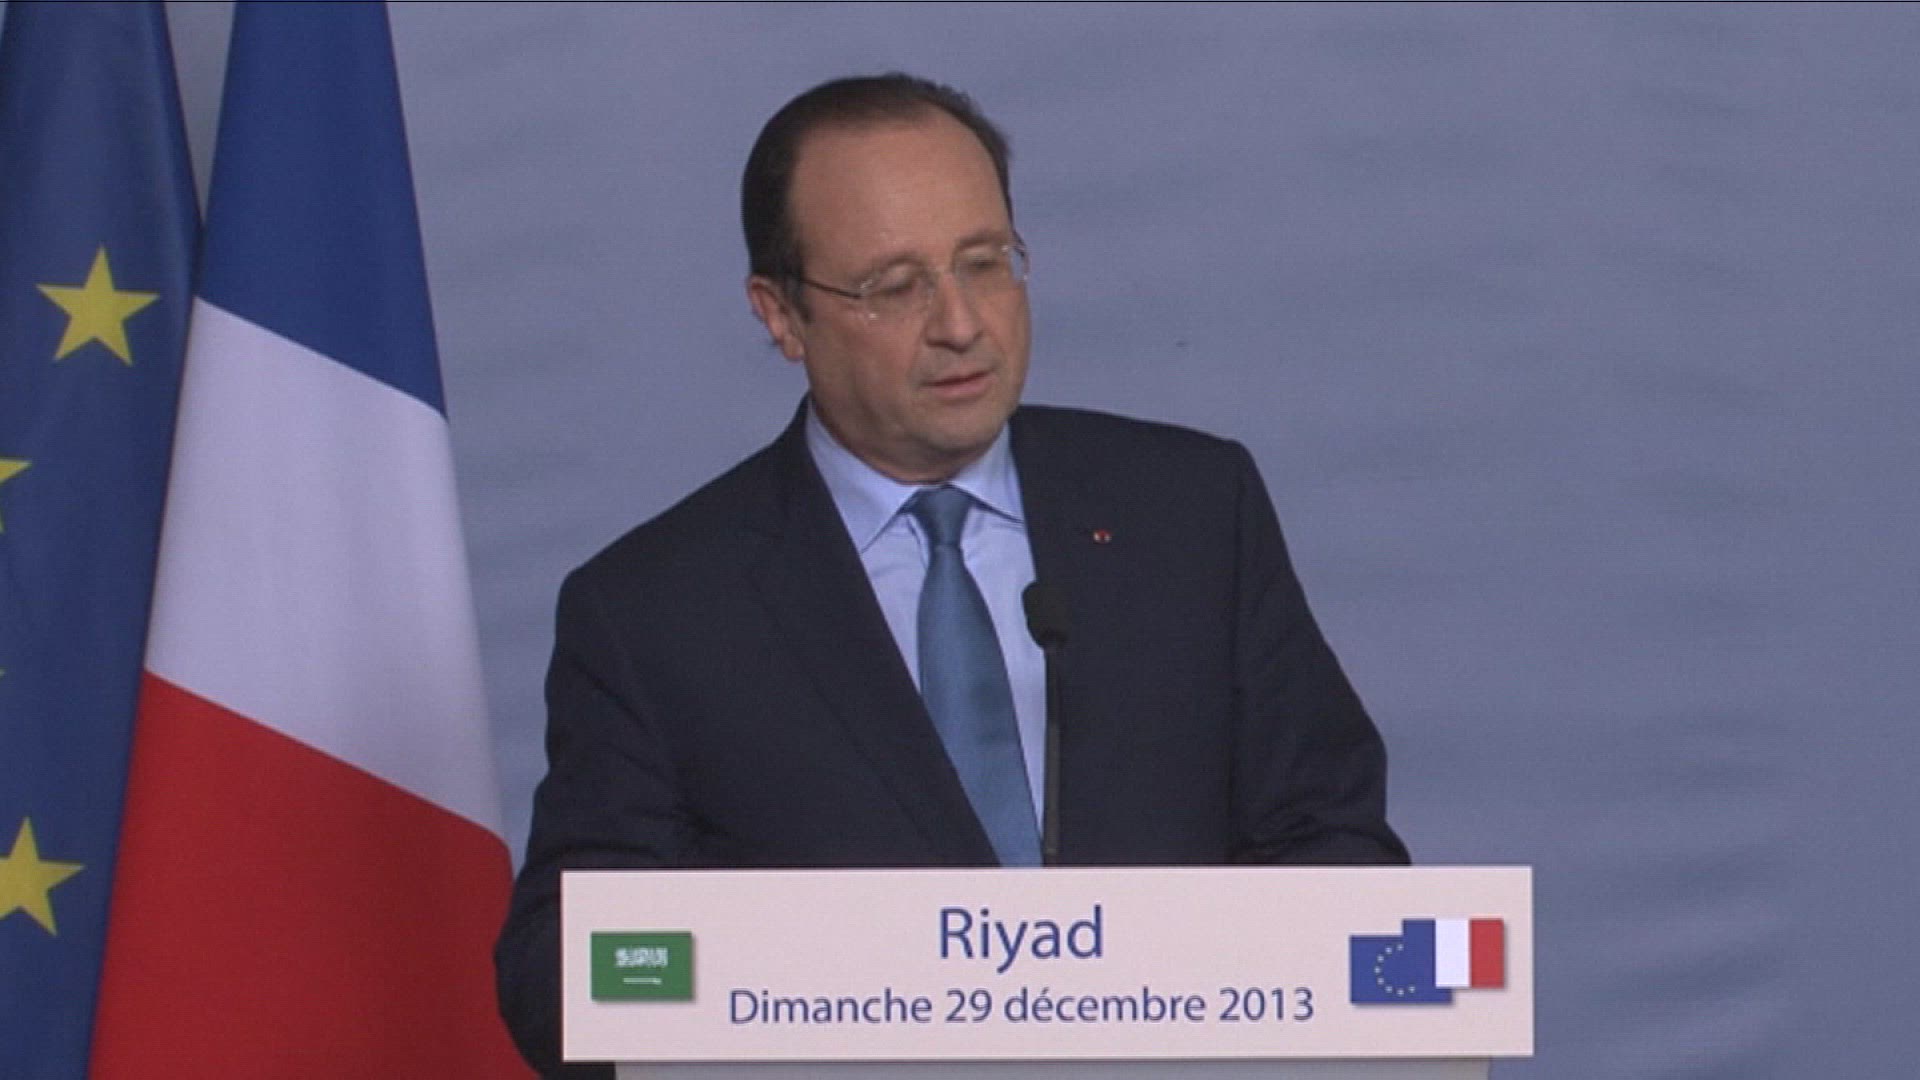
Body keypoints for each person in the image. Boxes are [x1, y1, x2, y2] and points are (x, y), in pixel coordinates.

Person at [495, 73, 1408, 1077]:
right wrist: (774, 977)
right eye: (895, 287)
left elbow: (1333, 844)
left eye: (985, 263)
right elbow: (561, 975)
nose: (962, 323)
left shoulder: (1191, 513)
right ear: (781, 315)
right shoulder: (656, 610)